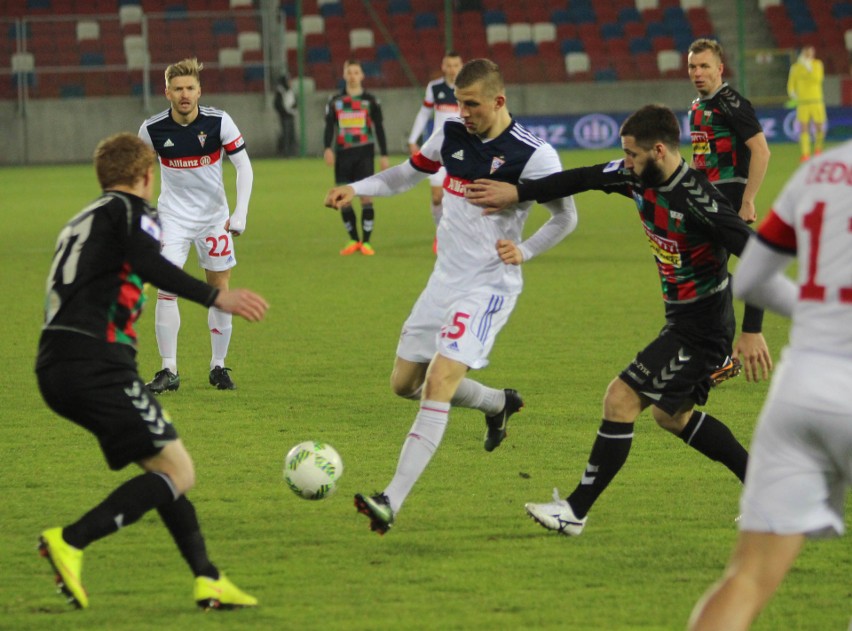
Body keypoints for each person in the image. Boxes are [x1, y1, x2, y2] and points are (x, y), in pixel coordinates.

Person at [465, 104, 772, 537]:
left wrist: (753, 330)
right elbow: (583, 177)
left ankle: (574, 511)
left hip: (702, 329)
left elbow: (760, 255)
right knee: (672, 415)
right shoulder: (636, 176)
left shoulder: (698, 200)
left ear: (660, 151)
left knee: (620, 399)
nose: (625, 162)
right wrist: (517, 193)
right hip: (682, 320)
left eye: (631, 154)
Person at [324, 59, 578, 534]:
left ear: (499, 101)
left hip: (488, 285)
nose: (462, 113)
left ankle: (389, 500)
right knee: (404, 384)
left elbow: (566, 217)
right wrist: (353, 189)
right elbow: (406, 174)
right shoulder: (450, 133)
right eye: (458, 103)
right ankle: (498, 403)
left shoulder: (535, 155)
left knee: (439, 380)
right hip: (443, 280)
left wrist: (524, 250)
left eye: (471, 105)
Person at [35, 132, 268, 610]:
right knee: (180, 470)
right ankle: (71, 541)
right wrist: (215, 295)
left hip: (55, 362)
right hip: (97, 363)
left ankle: (208, 578)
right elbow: (147, 263)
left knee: (164, 471)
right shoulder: (134, 212)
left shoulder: (80, 219)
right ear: (148, 176)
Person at [688, 140, 852, 631]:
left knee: (747, 578)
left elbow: (754, 278)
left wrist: (822, 312)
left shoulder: (821, 171)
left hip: (799, 389)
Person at [139, 57, 254, 393]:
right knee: (166, 287)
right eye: (178, 89)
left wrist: (240, 211)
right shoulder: (151, 130)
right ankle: (168, 370)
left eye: (190, 88)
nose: (184, 94)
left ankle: (218, 366)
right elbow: (138, 174)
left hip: (213, 219)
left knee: (219, 291)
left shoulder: (220, 122)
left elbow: (243, 167)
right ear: (167, 93)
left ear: (199, 91)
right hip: (173, 219)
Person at [687, 39, 770, 225]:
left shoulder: (733, 104)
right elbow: (700, 154)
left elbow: (762, 151)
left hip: (727, 198)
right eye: (692, 67)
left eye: (704, 66)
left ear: (720, 69)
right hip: (704, 196)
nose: (697, 73)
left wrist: (747, 201)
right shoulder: (697, 106)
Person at [323, 59, 390, 256]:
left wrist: (384, 154)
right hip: (343, 154)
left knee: (366, 198)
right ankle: (353, 239)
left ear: (362, 75)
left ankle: (366, 242)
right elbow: (329, 126)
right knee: (344, 198)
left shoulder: (370, 101)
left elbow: (379, 128)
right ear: (344, 75)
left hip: (364, 154)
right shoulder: (335, 101)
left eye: (356, 72)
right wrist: (327, 147)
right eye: (349, 72)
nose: (352, 76)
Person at [407, 51, 464, 253]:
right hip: (439, 150)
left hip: (462, 152)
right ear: (443, 66)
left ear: (461, 66)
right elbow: (424, 114)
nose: (452, 69)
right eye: (449, 65)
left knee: (459, 197)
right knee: (437, 197)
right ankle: (441, 233)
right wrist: (412, 139)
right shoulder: (435, 88)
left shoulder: (467, 88)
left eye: (456, 65)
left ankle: (457, 235)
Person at [787, 45, 826, 163]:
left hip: (816, 100)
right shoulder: (795, 67)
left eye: (811, 52)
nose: (810, 54)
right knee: (804, 128)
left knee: (819, 126)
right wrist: (793, 95)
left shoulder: (817, 64)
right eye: (807, 52)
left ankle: (818, 149)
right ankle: (805, 154)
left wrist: (808, 67)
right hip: (803, 102)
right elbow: (791, 84)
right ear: (803, 53)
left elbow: (818, 79)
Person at [273, 73, 298, 157]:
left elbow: (293, 101)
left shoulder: (290, 91)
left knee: (291, 134)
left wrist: (294, 107)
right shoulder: (281, 91)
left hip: (291, 115)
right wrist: (284, 112)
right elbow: (277, 104)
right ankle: (285, 153)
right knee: (286, 134)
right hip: (285, 116)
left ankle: (291, 152)